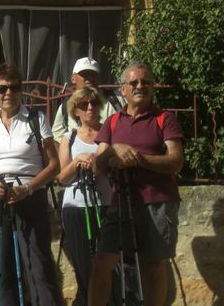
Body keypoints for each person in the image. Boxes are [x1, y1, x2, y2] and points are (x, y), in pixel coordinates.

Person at [89, 62, 184, 306]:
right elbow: (97, 166)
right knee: (102, 262)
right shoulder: (111, 122)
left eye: (146, 82)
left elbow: (175, 162)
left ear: (152, 88)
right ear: (123, 89)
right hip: (120, 202)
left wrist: (138, 159)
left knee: (154, 265)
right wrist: (113, 151)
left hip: (159, 201)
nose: (140, 86)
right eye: (134, 82)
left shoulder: (165, 118)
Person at [0, 63, 63, 306]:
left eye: (14, 87)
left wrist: (29, 188)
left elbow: (54, 165)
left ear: (21, 90)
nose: (8, 93)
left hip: (29, 196)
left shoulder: (36, 118)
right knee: (4, 271)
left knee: (39, 266)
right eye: (2, 88)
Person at [56, 87, 112, 305]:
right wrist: (77, 160)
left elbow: (107, 169)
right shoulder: (68, 138)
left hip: (104, 204)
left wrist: (95, 161)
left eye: (94, 103)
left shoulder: (108, 135)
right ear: (75, 111)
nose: (90, 108)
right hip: (76, 208)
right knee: (83, 268)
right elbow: (62, 177)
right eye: (83, 104)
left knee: (106, 266)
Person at [52, 57, 123, 147]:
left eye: (93, 74)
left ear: (99, 78)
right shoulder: (66, 107)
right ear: (73, 78)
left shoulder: (116, 100)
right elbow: (56, 140)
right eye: (84, 74)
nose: (89, 78)